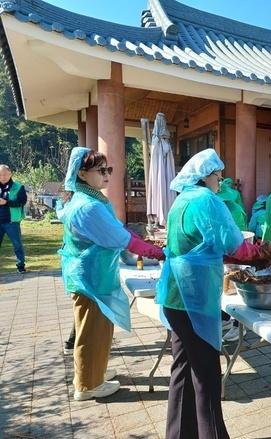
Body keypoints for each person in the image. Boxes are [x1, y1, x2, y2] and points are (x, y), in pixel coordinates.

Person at [155, 148, 269, 439]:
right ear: (206, 176)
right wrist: (261, 254)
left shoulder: (181, 200)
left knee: (182, 369)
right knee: (206, 376)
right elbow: (233, 245)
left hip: (174, 296)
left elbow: (204, 247)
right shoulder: (207, 200)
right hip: (194, 298)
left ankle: (179, 434)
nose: (221, 180)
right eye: (218, 175)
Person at [58, 147, 164, 401]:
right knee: (91, 332)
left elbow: (116, 232)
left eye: (109, 170)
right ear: (82, 174)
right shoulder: (88, 207)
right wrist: (156, 252)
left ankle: (95, 372)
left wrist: (144, 244)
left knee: (100, 329)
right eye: (101, 170)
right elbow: (120, 237)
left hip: (93, 274)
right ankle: (87, 385)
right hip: (90, 278)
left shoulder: (90, 199)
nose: (107, 175)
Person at [0, 164, 27, 273]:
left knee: (17, 245)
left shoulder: (18, 187)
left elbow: (22, 202)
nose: (3, 177)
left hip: (12, 222)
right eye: (0, 175)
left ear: (10, 174)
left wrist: (6, 202)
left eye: (5, 174)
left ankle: (21, 266)